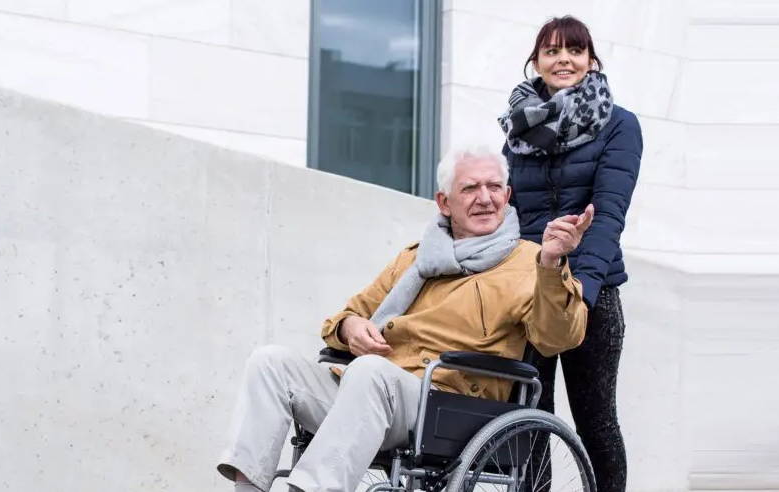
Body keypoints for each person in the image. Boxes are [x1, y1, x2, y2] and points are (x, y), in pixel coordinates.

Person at [214, 145, 593, 492]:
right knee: (270, 363)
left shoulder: (531, 261)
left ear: (508, 196)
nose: (484, 198)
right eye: (470, 188)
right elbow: (349, 314)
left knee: (370, 372)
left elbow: (558, 338)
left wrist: (552, 263)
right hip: (372, 394)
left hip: (450, 403)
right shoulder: (415, 259)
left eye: (494, 187)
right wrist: (350, 329)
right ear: (444, 202)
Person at [497, 15, 641, 492]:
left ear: (590, 60)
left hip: (590, 293)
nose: (564, 59)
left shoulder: (620, 125)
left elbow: (609, 214)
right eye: (552, 51)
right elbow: (507, 212)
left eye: (574, 51)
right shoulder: (519, 131)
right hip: (531, 289)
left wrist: (584, 292)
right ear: (536, 62)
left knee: (596, 423)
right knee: (530, 421)